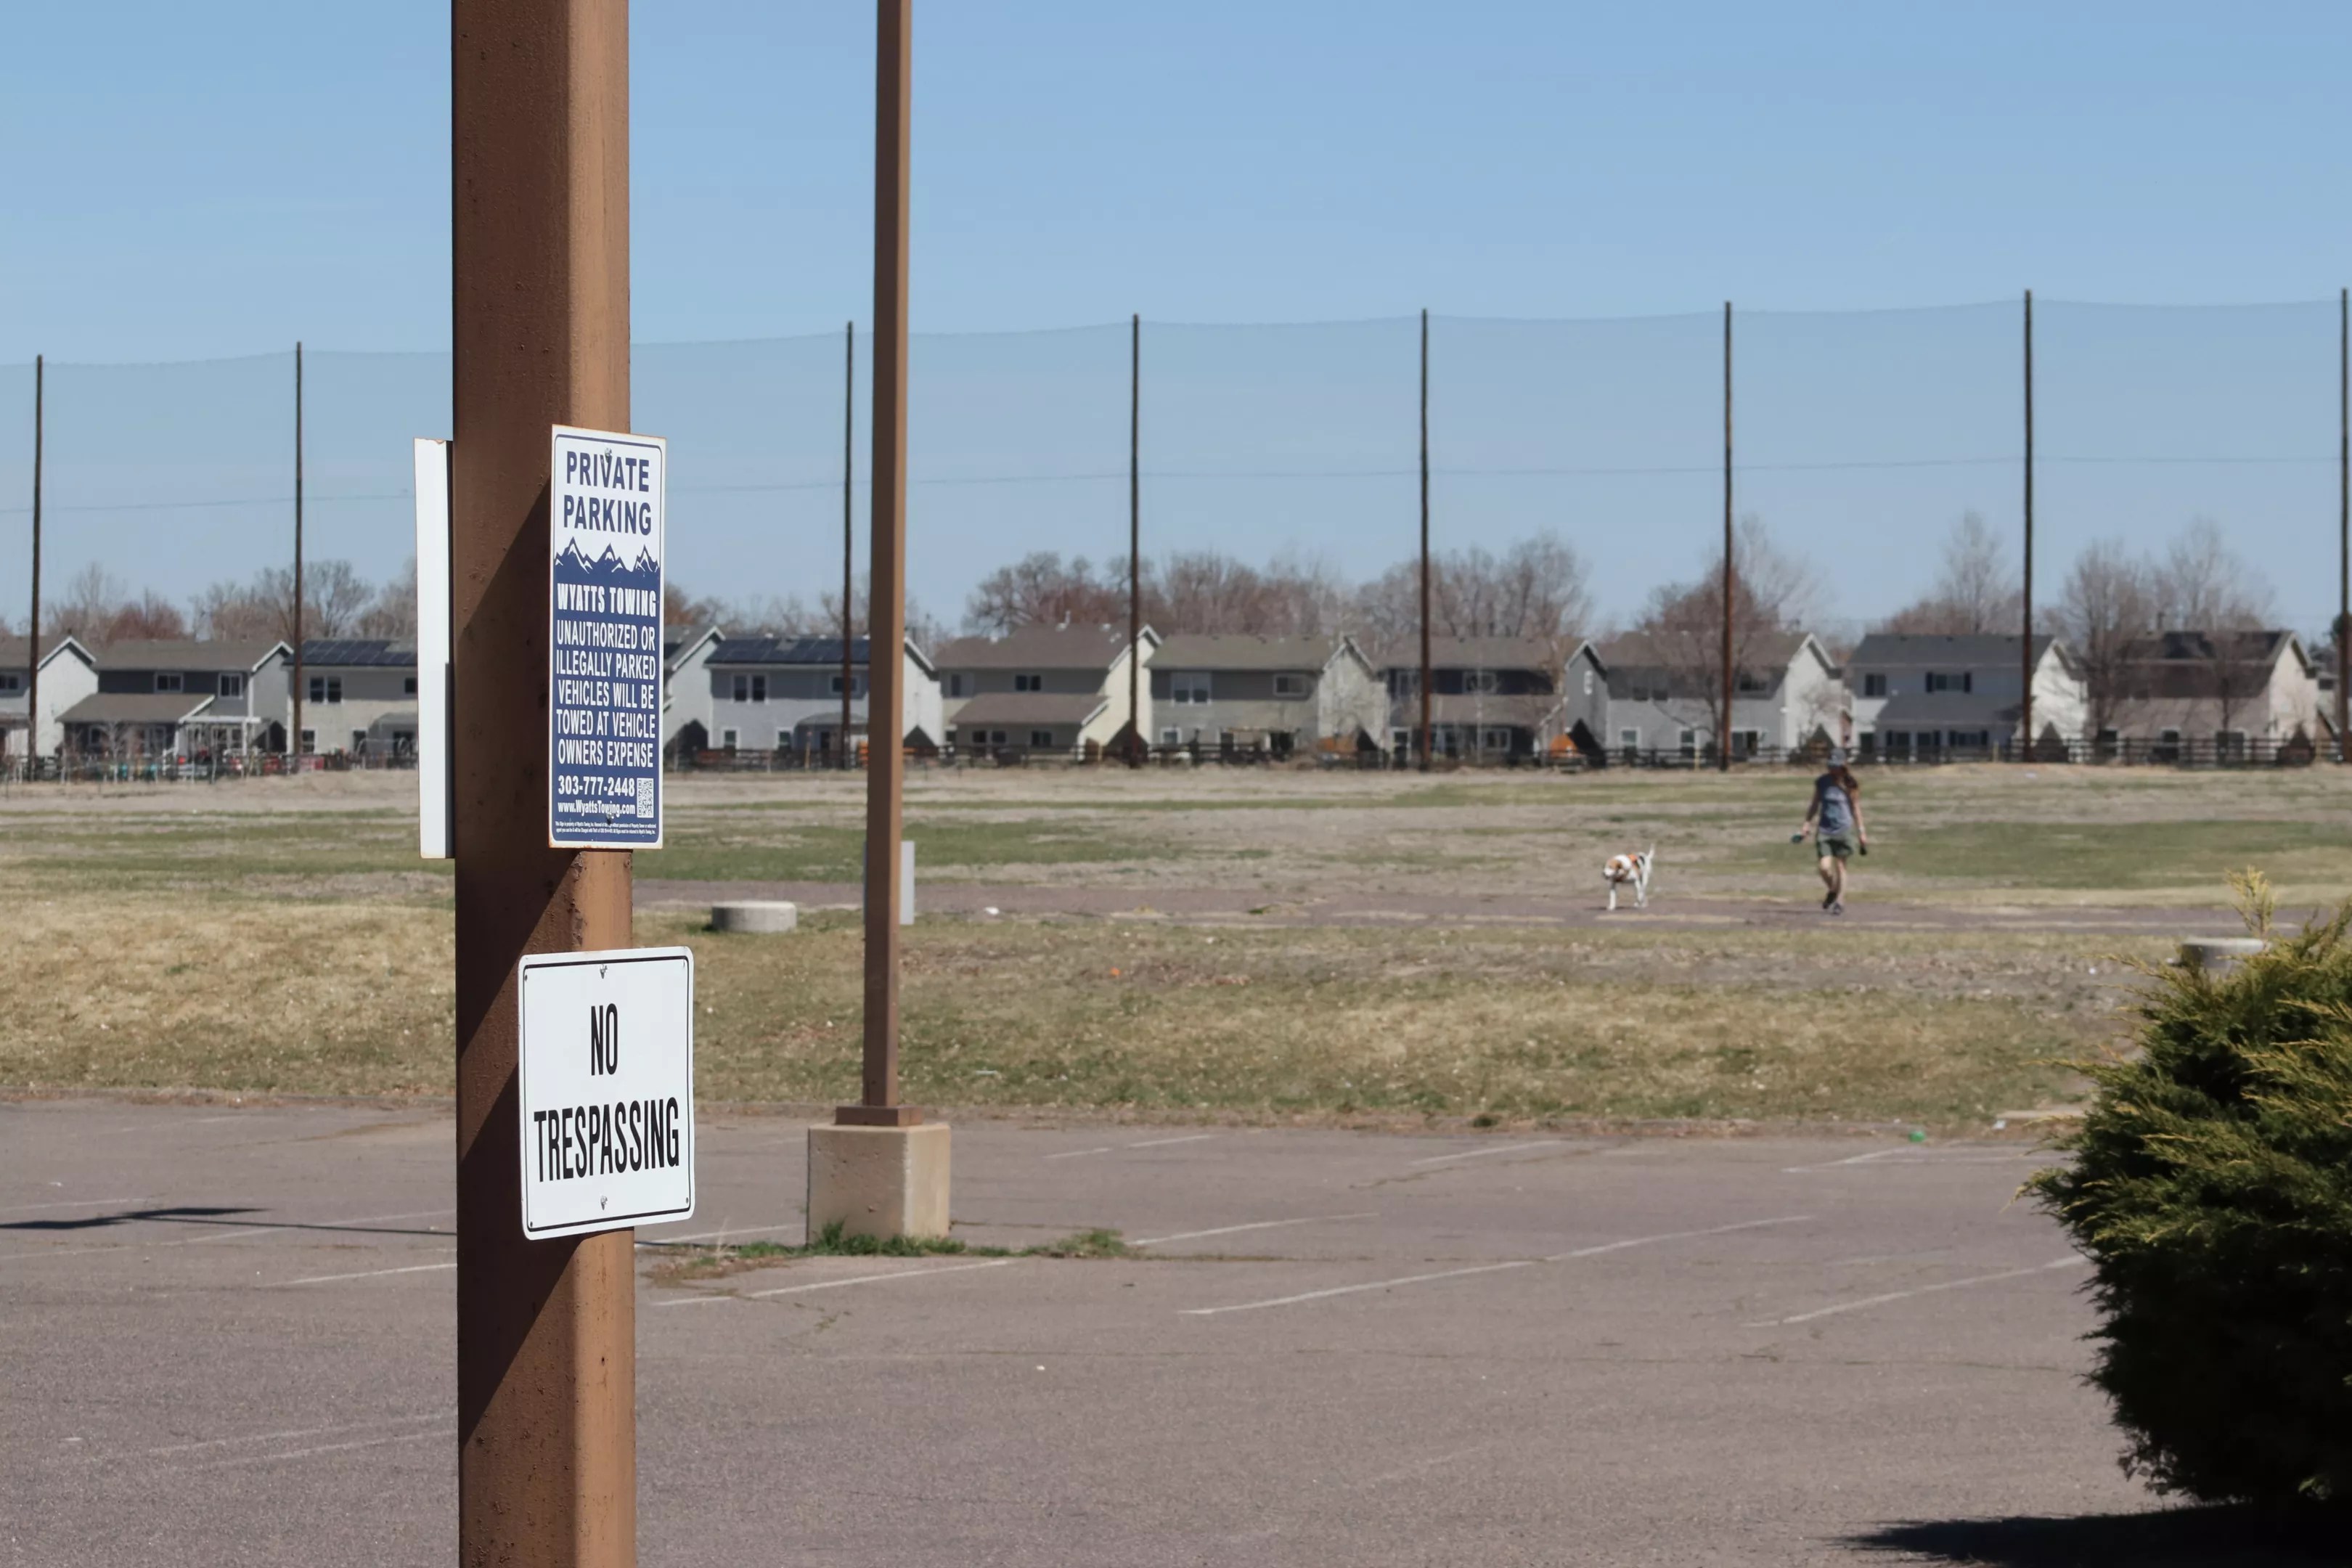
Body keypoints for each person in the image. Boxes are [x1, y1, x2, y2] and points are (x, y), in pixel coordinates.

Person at [1800, 754, 1869, 915]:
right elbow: (1814, 805)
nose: (1831, 769)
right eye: (1830, 766)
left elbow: (1856, 809)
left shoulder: (1850, 784)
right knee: (1823, 867)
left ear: (1842, 766)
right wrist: (1806, 824)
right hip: (1825, 830)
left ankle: (1840, 902)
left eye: (1835, 766)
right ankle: (1833, 889)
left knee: (1841, 866)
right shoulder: (1822, 782)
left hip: (1844, 829)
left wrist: (1861, 831)